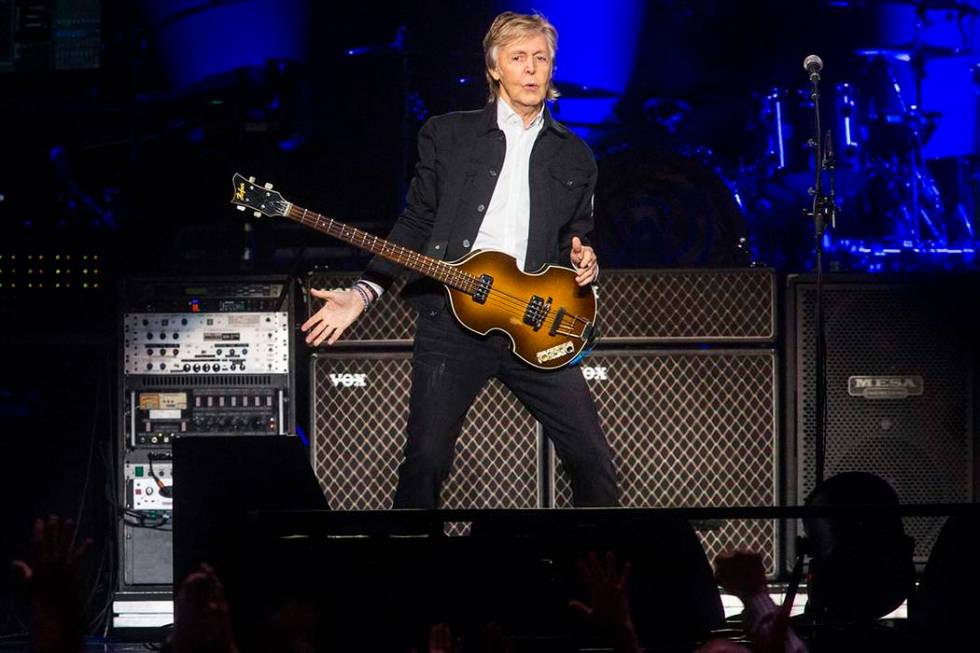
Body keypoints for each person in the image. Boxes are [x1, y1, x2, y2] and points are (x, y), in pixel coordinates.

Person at [301, 11, 618, 509]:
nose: (532, 70)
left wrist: (585, 262)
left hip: (534, 324)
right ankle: (411, 580)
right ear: (495, 68)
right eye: (519, 59)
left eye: (541, 58)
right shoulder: (447, 136)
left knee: (592, 459)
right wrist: (364, 294)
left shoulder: (576, 156)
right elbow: (415, 224)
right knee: (426, 458)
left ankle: (593, 580)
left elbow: (573, 242)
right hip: (453, 323)